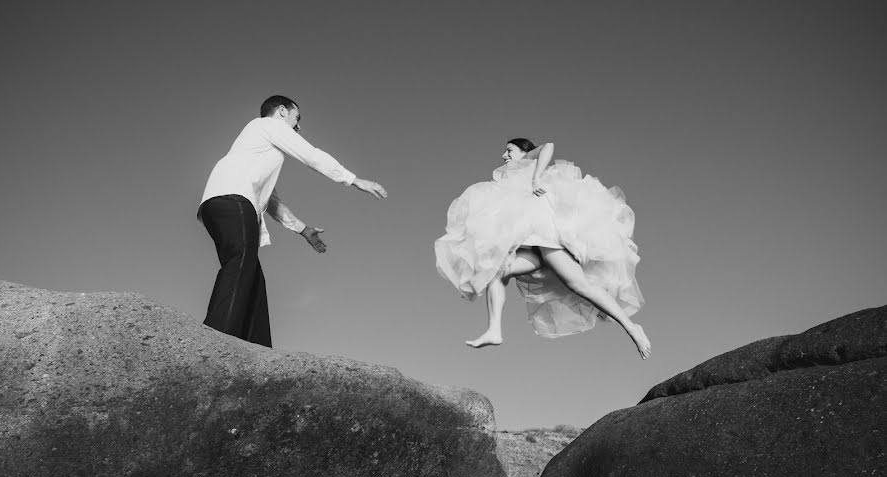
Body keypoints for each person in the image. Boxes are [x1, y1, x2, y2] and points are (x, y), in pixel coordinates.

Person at [198, 95, 387, 347]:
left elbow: (271, 201)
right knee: (241, 263)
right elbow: (310, 154)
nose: (298, 127)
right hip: (232, 201)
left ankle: (257, 349)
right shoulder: (267, 125)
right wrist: (353, 180)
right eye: (297, 119)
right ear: (282, 111)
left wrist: (302, 229)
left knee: (251, 276)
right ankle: (216, 340)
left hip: (219, 204)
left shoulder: (256, 147)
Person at [434, 138, 651, 359]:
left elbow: (548, 146)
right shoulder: (509, 183)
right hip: (532, 246)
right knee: (496, 272)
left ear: (524, 152)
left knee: (580, 285)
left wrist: (536, 178)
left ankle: (632, 328)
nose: (504, 155)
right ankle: (494, 330)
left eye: (509, 150)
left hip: (546, 239)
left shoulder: (528, 164)